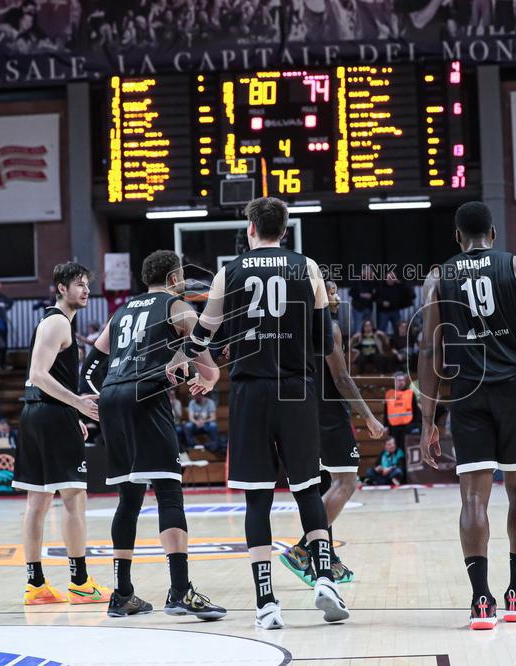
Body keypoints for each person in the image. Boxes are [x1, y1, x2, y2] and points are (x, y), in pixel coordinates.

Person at [165, 197, 349, 629]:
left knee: (257, 497)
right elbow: (325, 344)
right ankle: (324, 578)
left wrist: (186, 359)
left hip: (250, 392)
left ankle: (266, 602)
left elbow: (205, 334)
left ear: (251, 228)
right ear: (285, 230)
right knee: (307, 487)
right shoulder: (308, 267)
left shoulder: (230, 271)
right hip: (298, 389)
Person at [418, 201, 516, 630]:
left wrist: (430, 419)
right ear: (494, 235)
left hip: (467, 394)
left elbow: (430, 349)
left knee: (473, 499)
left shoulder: (437, 276)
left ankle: (480, 600)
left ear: (457, 236)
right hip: (514, 391)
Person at [82, 250, 226, 620]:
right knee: (169, 493)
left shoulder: (121, 311)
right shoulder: (175, 305)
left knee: (128, 500)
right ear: (176, 277)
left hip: (112, 397)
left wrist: (96, 397)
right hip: (145, 395)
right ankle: (180, 592)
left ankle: (122, 594)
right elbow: (204, 343)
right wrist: (202, 371)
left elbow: (90, 366)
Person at [12, 261, 111, 607]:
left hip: (37, 414)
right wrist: (77, 405)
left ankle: (36, 584)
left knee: (37, 503)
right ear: (61, 288)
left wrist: (69, 411)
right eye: (79, 284)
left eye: (86, 284)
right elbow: (38, 374)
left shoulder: (52, 322)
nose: (85, 290)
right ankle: (80, 582)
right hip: (50, 415)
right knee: (74, 499)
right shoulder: (57, 322)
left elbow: (40, 379)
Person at [279, 279, 386, 587]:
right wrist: (368, 415)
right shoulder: (329, 327)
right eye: (332, 290)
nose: (338, 296)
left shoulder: (291, 327)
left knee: (324, 485)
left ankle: (328, 561)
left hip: (299, 413)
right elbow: (340, 377)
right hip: (327, 414)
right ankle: (303, 548)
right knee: (346, 482)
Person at [383, 372, 419, 450]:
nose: (401, 382)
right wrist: (385, 426)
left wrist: (413, 425)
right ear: (394, 381)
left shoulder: (410, 393)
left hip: (407, 427)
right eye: (399, 380)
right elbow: (386, 411)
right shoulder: (389, 394)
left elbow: (416, 411)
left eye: (403, 380)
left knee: (406, 449)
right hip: (393, 428)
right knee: (395, 449)